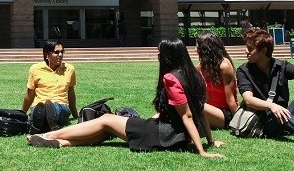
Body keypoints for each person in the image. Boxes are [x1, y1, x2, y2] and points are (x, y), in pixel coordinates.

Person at [27, 37, 224, 159]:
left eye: (159, 53)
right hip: (172, 135)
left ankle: (49, 135)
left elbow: (188, 115)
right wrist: (210, 140)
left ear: (168, 56)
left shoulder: (171, 78)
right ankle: (62, 142)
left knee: (105, 119)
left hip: (162, 135)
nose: (157, 56)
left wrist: (202, 151)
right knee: (106, 131)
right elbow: (200, 111)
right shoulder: (196, 75)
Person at [22, 40, 78, 134]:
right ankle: (47, 121)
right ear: (46, 54)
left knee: (55, 107)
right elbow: (30, 94)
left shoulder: (69, 69)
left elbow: (71, 93)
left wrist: (75, 114)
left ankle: (40, 122)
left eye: (62, 52)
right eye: (56, 52)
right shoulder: (35, 69)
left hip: (62, 106)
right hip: (40, 104)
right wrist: (22, 113)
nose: (60, 55)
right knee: (38, 109)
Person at [196, 31, 238, 129]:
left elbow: (230, 98)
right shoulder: (201, 67)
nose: (195, 49)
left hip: (225, 113)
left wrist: (238, 121)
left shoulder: (224, 66)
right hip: (210, 111)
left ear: (206, 49)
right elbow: (206, 96)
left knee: (196, 105)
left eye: (198, 46)